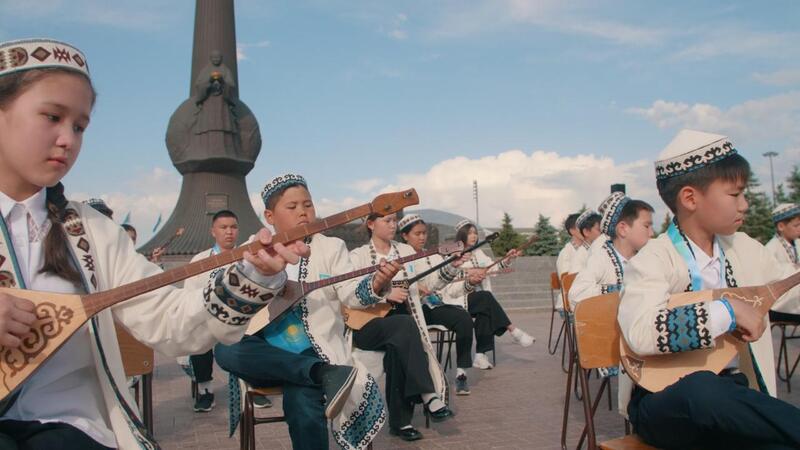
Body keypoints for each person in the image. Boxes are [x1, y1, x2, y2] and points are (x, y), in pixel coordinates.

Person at [0, 38, 306, 449]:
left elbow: (166, 317)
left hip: (66, 429)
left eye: (79, 126)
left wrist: (252, 274)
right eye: (52, 117)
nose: (67, 139)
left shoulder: (90, 233)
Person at [618, 129, 800, 449]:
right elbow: (640, 330)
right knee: (701, 389)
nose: (745, 204)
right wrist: (728, 312)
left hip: (730, 396)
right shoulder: (654, 258)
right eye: (735, 194)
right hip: (665, 403)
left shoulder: (744, 248)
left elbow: (787, 288)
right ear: (690, 198)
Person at [214, 174, 401, 450]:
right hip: (267, 356)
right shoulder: (255, 249)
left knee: (301, 401)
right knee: (225, 348)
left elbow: (349, 292)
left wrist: (375, 283)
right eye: (292, 207)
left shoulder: (331, 247)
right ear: (270, 215)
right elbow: (234, 301)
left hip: (315, 350)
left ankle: (319, 372)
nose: (303, 212)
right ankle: (323, 374)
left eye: (308, 204)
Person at [350, 212, 457, 442]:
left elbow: (430, 284)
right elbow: (348, 297)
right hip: (367, 325)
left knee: (399, 344)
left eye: (394, 220)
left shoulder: (407, 252)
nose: (392, 225)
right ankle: (429, 395)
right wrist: (385, 296)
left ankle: (400, 423)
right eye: (386, 221)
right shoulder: (356, 256)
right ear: (371, 224)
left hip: (402, 325)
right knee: (403, 328)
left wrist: (452, 266)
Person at [398, 214, 474, 395]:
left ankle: (462, 374)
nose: (422, 237)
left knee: (464, 319)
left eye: (424, 233)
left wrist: (468, 280)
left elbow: (442, 283)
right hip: (413, 308)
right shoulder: (400, 255)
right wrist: (417, 287)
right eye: (417, 234)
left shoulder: (433, 256)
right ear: (405, 236)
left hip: (435, 305)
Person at [445, 219, 533, 372]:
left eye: (475, 233)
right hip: (459, 299)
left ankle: (480, 355)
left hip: (478, 300)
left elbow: (494, 266)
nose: (473, 236)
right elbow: (448, 276)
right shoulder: (454, 254)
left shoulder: (478, 253)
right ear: (461, 235)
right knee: (485, 298)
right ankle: (513, 330)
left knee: (484, 309)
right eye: (469, 233)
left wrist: (509, 257)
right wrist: (470, 273)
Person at [178, 209, 240, 412]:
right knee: (199, 338)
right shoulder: (200, 260)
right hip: (208, 318)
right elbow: (189, 293)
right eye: (223, 227)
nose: (229, 232)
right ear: (213, 231)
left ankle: (250, 387)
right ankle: (205, 390)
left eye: (233, 227)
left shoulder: (247, 258)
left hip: (239, 321)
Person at [569, 192, 654, 306]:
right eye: (646, 226)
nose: (652, 233)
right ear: (623, 229)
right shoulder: (601, 257)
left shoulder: (648, 256)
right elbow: (576, 294)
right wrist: (622, 290)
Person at [767, 203, 800, 323]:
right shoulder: (771, 248)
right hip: (782, 301)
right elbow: (772, 275)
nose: (799, 228)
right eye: (796, 225)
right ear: (781, 226)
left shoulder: (797, 243)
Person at [555, 213, 583, 278]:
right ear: (572, 231)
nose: (586, 230)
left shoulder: (591, 250)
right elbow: (567, 281)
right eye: (581, 227)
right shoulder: (565, 254)